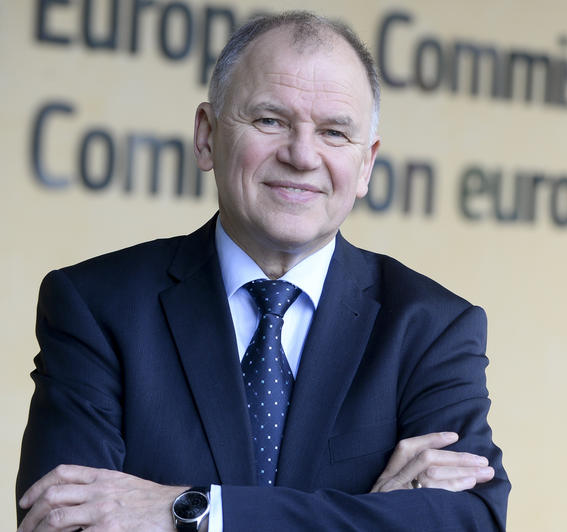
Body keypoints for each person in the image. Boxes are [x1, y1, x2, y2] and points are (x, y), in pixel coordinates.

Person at [16, 11, 510, 531]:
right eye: (271, 121)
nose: (302, 155)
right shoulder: (96, 306)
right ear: (206, 136)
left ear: (366, 164)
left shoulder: (431, 327)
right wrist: (375, 514)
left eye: (334, 132)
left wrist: (194, 513)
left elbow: (470, 521)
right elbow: (61, 520)